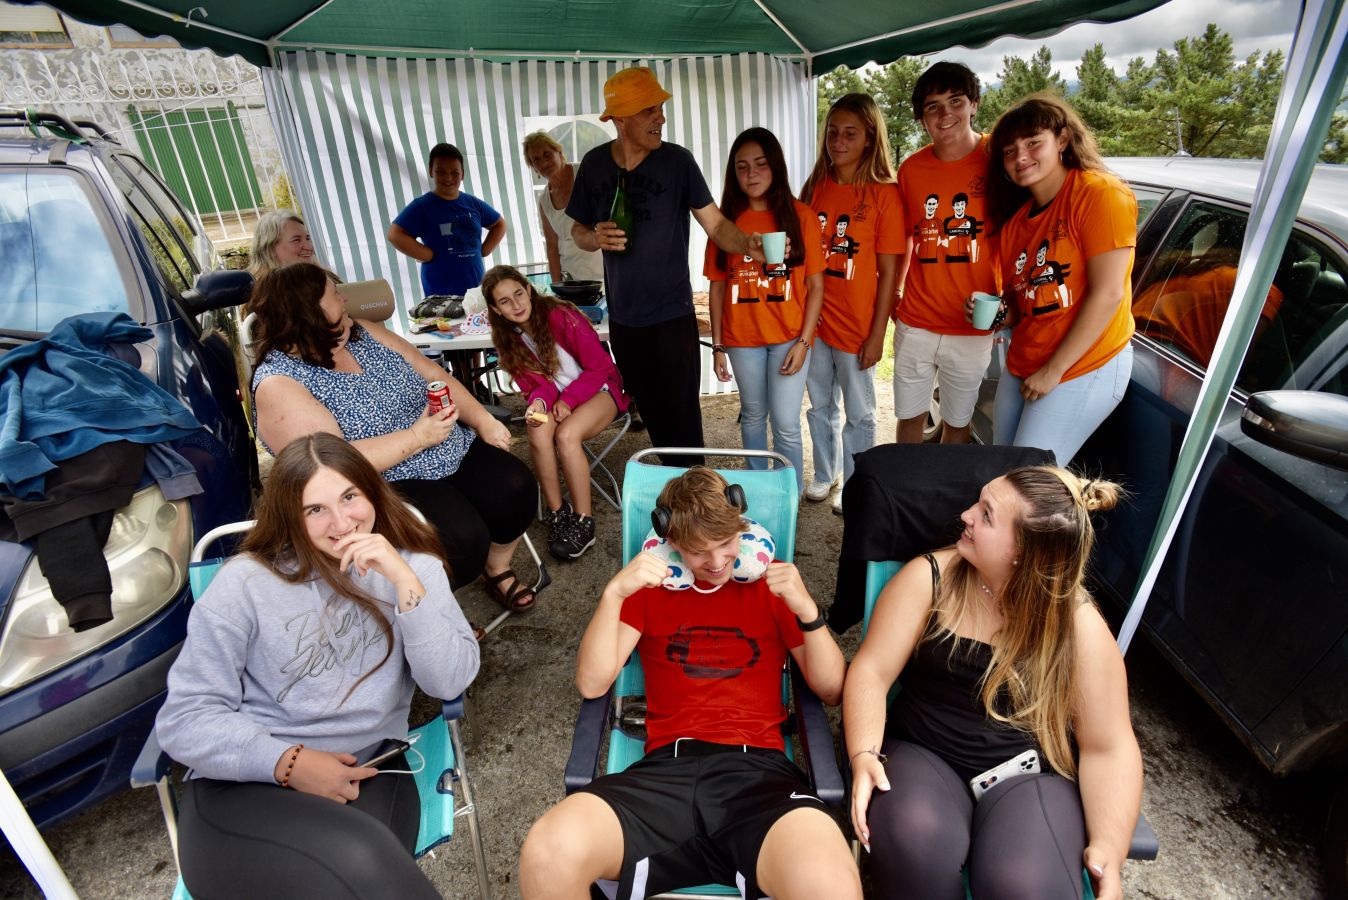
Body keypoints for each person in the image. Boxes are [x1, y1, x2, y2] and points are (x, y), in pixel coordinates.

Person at [155, 432, 480, 900]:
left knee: (361, 865)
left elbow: (448, 681)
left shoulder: (413, 570)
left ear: (372, 492)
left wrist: (405, 584)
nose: (342, 522)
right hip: (244, 785)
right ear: (290, 516)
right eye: (315, 509)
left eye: (350, 497)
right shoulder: (245, 583)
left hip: (363, 773)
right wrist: (288, 763)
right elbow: (185, 718)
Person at [518, 468, 859, 900]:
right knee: (548, 854)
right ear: (672, 542)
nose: (716, 563)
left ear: (743, 529)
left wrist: (807, 610)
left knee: (829, 883)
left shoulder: (772, 585)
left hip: (757, 776)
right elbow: (591, 683)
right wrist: (613, 595)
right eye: (698, 551)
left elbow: (831, 689)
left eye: (726, 543)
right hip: (664, 774)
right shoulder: (650, 589)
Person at [844, 466, 1142, 900]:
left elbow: (1108, 745)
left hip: (1029, 775)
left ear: (1023, 552)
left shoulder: (1077, 626)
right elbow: (871, 671)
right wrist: (864, 754)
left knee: (1023, 884)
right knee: (913, 842)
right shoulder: (932, 578)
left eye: (986, 515)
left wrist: (1109, 848)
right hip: (925, 752)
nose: (965, 514)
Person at [250, 262, 539, 613]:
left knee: (516, 487)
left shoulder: (360, 331)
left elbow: (434, 375)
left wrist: (482, 419)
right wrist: (418, 436)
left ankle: (496, 569)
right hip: (383, 479)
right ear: (307, 312)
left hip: (447, 444)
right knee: (459, 538)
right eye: (334, 294)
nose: (344, 298)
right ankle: (430, 608)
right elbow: (328, 465)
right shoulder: (280, 383)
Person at [566, 66, 766, 467]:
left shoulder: (677, 162)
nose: (661, 117)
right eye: (649, 110)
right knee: (654, 420)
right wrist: (595, 237)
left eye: (660, 108)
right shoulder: (593, 165)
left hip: (672, 317)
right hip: (624, 321)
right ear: (620, 119)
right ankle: (677, 488)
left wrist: (748, 245)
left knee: (684, 424)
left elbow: (716, 224)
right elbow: (577, 230)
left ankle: (694, 490)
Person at [982, 94, 1137, 465]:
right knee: (999, 467)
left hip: (1083, 363)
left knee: (1026, 482)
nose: (1021, 156)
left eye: (1033, 142)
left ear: (1063, 140)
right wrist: (997, 314)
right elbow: (1023, 307)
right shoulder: (1016, 224)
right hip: (1025, 361)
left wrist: (1054, 371)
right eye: (1009, 151)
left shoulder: (1099, 194)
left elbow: (1109, 293)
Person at [705, 128, 825, 495]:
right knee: (753, 416)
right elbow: (717, 287)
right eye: (742, 167)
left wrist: (804, 343)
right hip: (743, 341)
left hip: (790, 339)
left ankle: (789, 496)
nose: (751, 174)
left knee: (786, 423)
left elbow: (816, 287)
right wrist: (718, 347)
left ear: (775, 166)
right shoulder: (725, 224)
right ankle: (757, 492)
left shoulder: (802, 217)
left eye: (760, 164)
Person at [800, 93, 904, 512]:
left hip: (857, 325)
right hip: (815, 322)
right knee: (819, 405)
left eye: (850, 134)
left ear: (869, 138)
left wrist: (878, 334)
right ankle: (825, 473)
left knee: (859, 413)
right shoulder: (816, 187)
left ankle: (856, 481)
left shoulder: (884, 194)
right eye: (833, 132)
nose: (838, 142)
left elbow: (889, 273)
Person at [483, 264, 629, 561]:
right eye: (505, 301)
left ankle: (584, 521)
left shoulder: (561, 316)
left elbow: (600, 367)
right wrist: (538, 403)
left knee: (566, 435)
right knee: (536, 428)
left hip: (600, 389)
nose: (516, 305)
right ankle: (558, 512)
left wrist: (569, 400)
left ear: (529, 290)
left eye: (519, 294)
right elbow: (538, 387)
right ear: (496, 309)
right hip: (559, 400)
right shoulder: (508, 340)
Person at [893, 62, 1001, 446]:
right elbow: (906, 236)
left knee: (957, 424)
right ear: (922, 119)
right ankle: (904, 484)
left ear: (974, 104)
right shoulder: (911, 170)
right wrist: (896, 293)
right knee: (910, 419)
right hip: (916, 321)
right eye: (933, 106)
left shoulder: (999, 158)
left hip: (972, 325)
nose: (945, 114)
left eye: (955, 101)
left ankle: (944, 486)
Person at [387, 142, 508, 298]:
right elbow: (394, 234)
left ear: (462, 174)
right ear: (431, 171)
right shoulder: (422, 206)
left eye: (455, 173)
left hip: (475, 290)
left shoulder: (473, 203)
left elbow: (499, 224)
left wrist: (484, 250)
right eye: (441, 172)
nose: (448, 178)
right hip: (440, 293)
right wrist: (426, 254)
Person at [523, 131, 605, 284]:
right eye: (536, 160)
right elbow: (552, 247)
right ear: (533, 168)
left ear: (559, 152)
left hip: (604, 269)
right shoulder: (544, 201)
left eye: (547, 154)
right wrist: (557, 285)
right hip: (572, 279)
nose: (543, 163)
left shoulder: (584, 173)